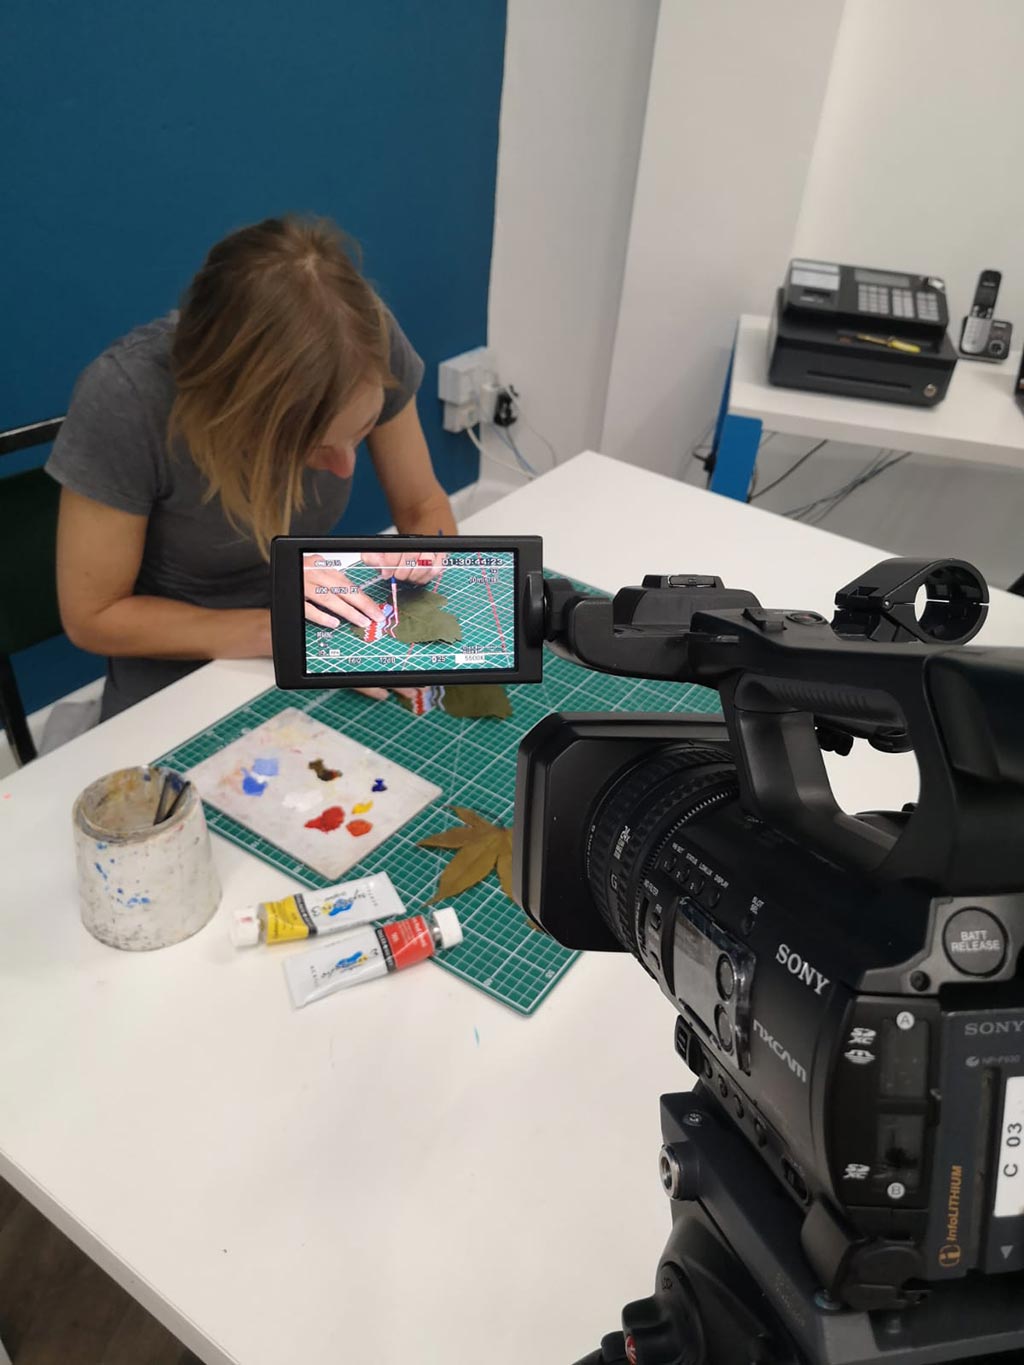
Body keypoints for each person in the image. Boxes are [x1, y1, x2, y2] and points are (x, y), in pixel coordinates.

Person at [47, 215, 456, 717]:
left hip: (321, 630)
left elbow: (421, 504)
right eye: (310, 447)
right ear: (231, 417)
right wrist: (274, 630)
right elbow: (93, 616)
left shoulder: (363, 340)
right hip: (179, 681)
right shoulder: (127, 400)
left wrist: (426, 584)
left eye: (361, 429)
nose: (346, 467)